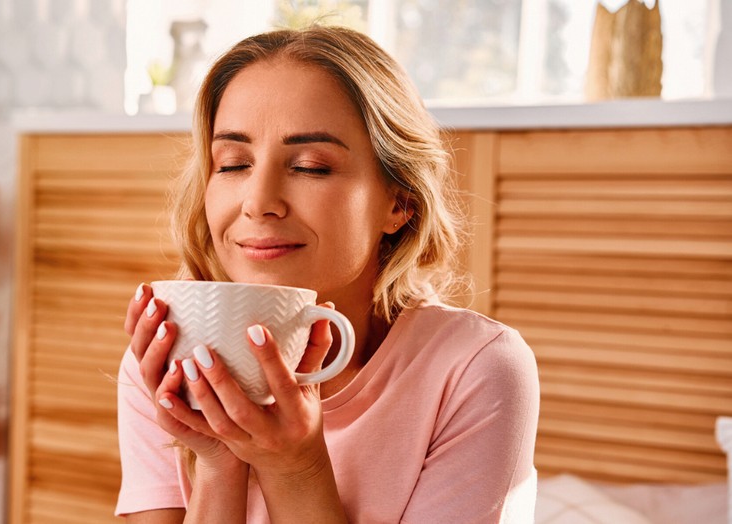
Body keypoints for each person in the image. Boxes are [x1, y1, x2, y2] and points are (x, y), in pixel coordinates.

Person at [116, 26, 539, 523]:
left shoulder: (474, 368)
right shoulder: (170, 357)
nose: (258, 202)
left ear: (399, 202)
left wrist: (296, 468)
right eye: (233, 164)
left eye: (311, 167)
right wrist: (218, 459)